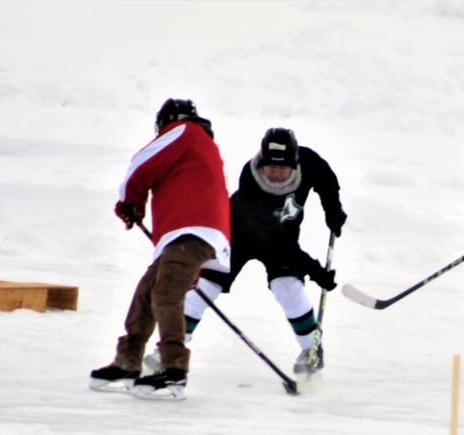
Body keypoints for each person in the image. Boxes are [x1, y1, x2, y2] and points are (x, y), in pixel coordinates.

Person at [171, 127, 345, 375]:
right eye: (270, 168)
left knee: (288, 289)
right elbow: (276, 239)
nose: (275, 173)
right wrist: (313, 269)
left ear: (295, 165)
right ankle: (171, 348)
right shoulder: (250, 179)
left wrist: (333, 209)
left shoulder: (308, 162)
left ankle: (311, 350)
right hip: (238, 236)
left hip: (282, 238)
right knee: (206, 287)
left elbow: (326, 180)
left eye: (282, 169)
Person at [89, 98, 231, 399]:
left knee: (166, 294)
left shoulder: (185, 131)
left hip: (192, 231)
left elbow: (143, 163)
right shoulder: (200, 145)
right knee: (147, 292)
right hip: (190, 234)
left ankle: (174, 370)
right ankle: (128, 361)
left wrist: (130, 200)